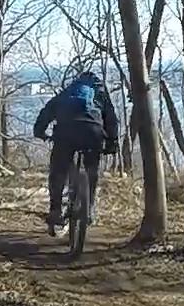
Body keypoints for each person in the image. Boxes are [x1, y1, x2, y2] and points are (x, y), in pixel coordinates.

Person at [33, 70, 119, 235]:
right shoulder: (100, 94)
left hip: (66, 131)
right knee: (92, 170)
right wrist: (112, 143)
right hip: (92, 132)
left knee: (58, 170)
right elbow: (111, 120)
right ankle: (90, 209)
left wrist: (40, 131)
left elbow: (47, 111)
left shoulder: (68, 92)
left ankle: (56, 209)